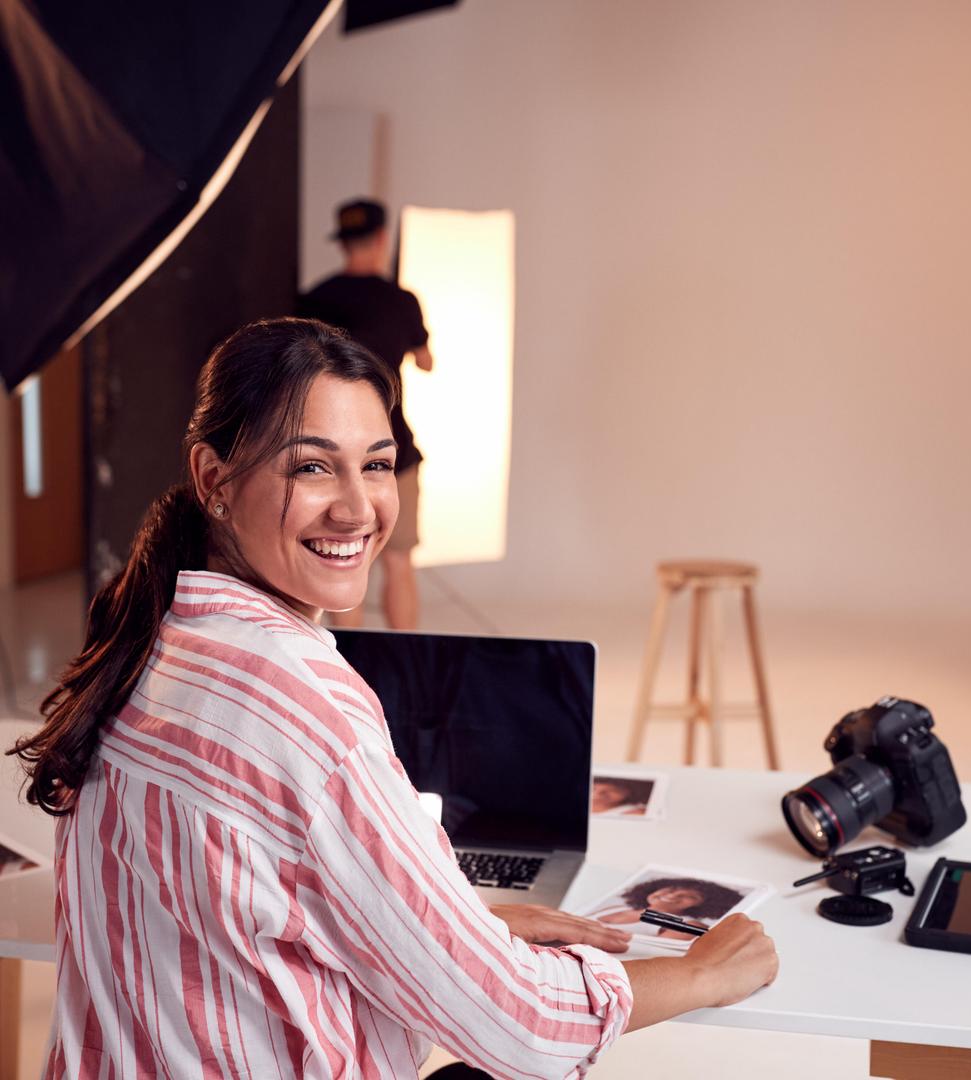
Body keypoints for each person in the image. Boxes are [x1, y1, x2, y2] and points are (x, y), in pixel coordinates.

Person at [8, 319, 778, 1078]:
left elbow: (220, 919)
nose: (357, 508)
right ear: (213, 478)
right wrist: (703, 974)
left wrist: (455, 928)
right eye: (312, 468)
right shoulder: (304, 709)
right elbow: (526, 1028)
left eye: (377, 465)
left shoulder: (147, 644)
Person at [299, 198, 431, 630]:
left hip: (331, 454)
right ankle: (405, 668)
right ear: (381, 238)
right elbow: (427, 360)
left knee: (343, 566)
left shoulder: (314, 300)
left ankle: (349, 679)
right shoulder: (401, 300)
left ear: (342, 243)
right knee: (398, 563)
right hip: (393, 448)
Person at [593, 877, 745, 941]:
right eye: (671, 889)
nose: (672, 896)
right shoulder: (615, 908)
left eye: (690, 896)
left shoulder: (689, 926)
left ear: (703, 906)